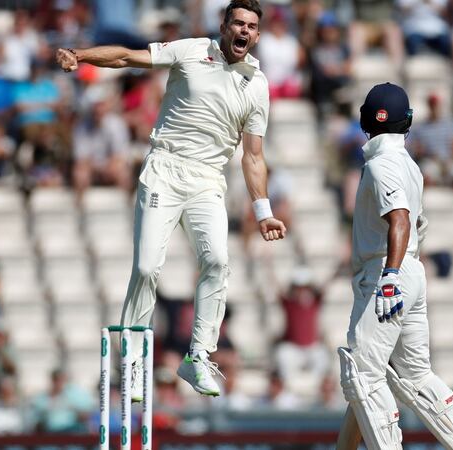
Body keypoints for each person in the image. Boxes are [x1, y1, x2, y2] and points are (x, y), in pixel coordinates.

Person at [56, 0, 286, 400]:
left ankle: (198, 355)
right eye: (238, 23)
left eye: (251, 26)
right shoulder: (193, 50)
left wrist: (262, 212)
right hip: (165, 166)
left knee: (216, 260)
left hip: (208, 180)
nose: (244, 31)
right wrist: (80, 55)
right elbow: (129, 57)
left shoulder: (257, 84)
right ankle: (131, 362)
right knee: (146, 268)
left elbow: (252, 156)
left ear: (258, 35)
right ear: (224, 26)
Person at [335, 83, 453, 450]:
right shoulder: (409, 165)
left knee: (363, 375)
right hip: (410, 271)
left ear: (365, 121)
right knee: (412, 376)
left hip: (386, 274)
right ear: (408, 123)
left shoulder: (381, 164)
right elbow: (417, 224)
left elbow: (401, 220)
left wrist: (389, 277)